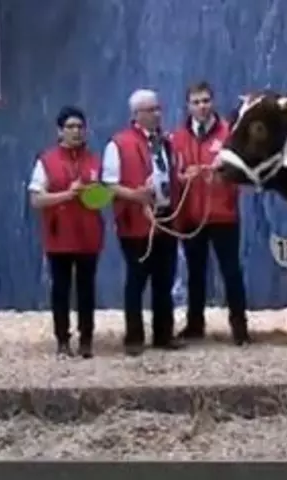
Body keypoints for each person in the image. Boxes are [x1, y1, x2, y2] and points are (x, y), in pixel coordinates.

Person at [101, 88, 185, 356]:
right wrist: (135, 196)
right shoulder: (118, 144)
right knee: (137, 280)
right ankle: (134, 336)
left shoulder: (167, 142)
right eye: (150, 110)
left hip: (165, 218)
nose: (156, 114)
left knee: (165, 279)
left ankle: (163, 334)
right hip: (136, 223)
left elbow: (172, 174)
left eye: (158, 108)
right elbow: (108, 185)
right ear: (136, 114)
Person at [170, 81, 250, 345]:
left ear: (213, 102)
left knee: (231, 272)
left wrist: (223, 173)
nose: (202, 106)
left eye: (205, 101)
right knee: (195, 273)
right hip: (193, 216)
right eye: (196, 102)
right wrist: (183, 177)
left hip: (224, 216)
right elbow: (172, 175)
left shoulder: (230, 134)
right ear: (188, 106)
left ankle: (239, 327)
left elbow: (243, 171)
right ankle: (195, 324)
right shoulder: (177, 138)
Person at [27, 106, 104, 359]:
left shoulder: (94, 160)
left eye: (80, 127)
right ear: (60, 131)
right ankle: (62, 340)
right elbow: (36, 200)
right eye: (70, 127)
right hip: (59, 237)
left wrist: (95, 194)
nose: (76, 131)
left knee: (87, 290)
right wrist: (67, 195)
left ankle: (87, 339)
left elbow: (102, 199)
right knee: (60, 289)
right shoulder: (47, 161)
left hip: (88, 237)